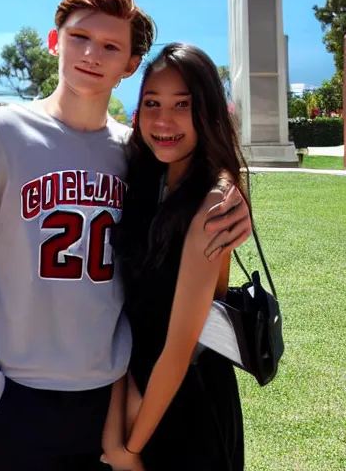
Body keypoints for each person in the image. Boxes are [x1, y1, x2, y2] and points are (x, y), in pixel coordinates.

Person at [0, 0, 251, 471]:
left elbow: (196, 179)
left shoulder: (138, 153)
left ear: (130, 65)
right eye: (80, 37)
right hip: (17, 397)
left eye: (111, 46)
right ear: (54, 41)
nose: (92, 54)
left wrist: (232, 190)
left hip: (112, 396)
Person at [101, 43, 247, 470]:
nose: (164, 121)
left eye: (182, 105)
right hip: (133, 387)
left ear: (207, 111)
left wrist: (129, 450)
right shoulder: (146, 176)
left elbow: (181, 347)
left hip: (185, 404)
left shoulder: (214, 203)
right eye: (152, 103)